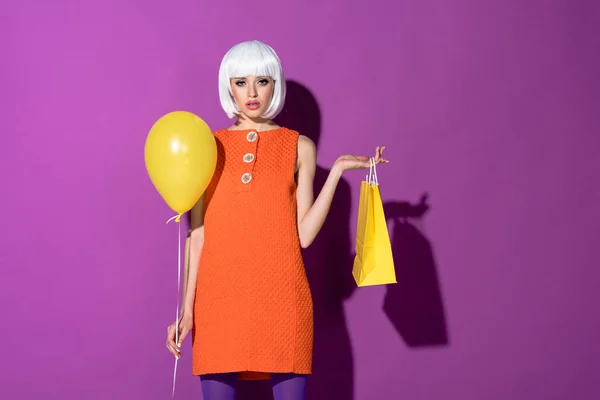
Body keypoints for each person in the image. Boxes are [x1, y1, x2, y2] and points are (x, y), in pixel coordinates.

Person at [165, 40, 388, 400]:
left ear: (275, 85)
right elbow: (198, 234)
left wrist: (340, 170)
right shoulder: (208, 146)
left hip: (284, 300)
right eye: (241, 82)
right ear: (228, 87)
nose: (252, 92)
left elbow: (304, 234)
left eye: (262, 81)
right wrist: (186, 312)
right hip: (218, 303)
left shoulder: (299, 147)